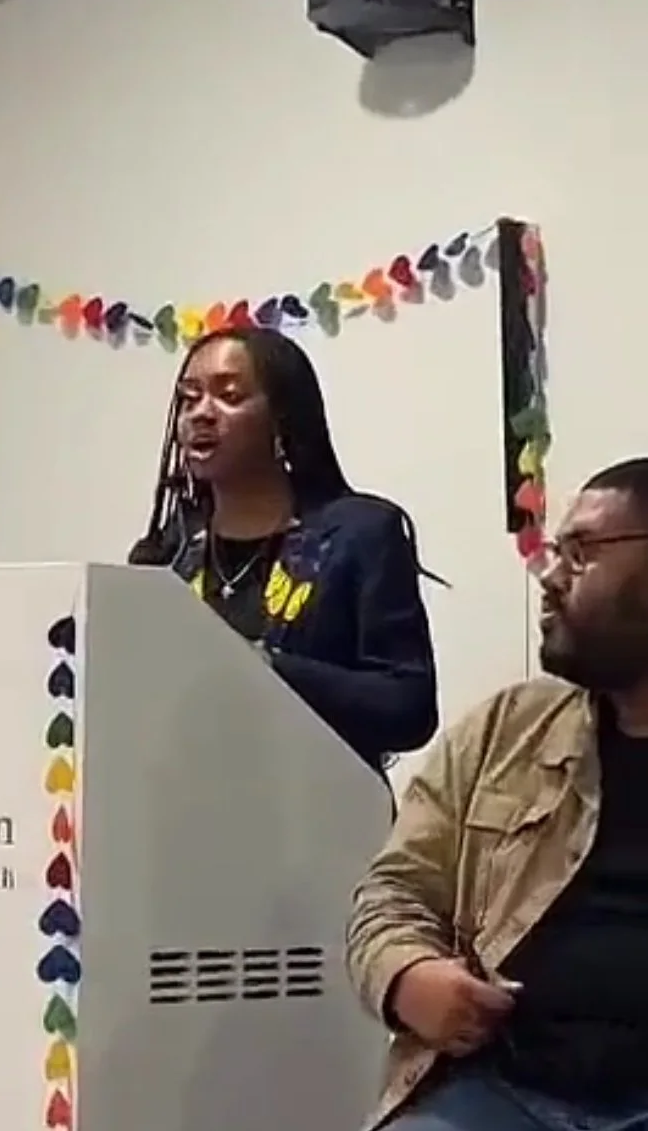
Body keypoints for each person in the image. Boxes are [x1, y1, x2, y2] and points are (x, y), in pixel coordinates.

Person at [346, 458, 648, 1131]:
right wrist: (408, 975)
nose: (550, 576)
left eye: (582, 552)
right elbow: (392, 892)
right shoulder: (504, 733)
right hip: (509, 1091)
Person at [129, 325, 438, 771]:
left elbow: (408, 707)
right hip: (184, 815)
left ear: (282, 417)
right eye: (189, 398)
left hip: (324, 817)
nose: (200, 414)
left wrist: (268, 669)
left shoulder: (358, 534)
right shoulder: (164, 556)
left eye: (229, 396)